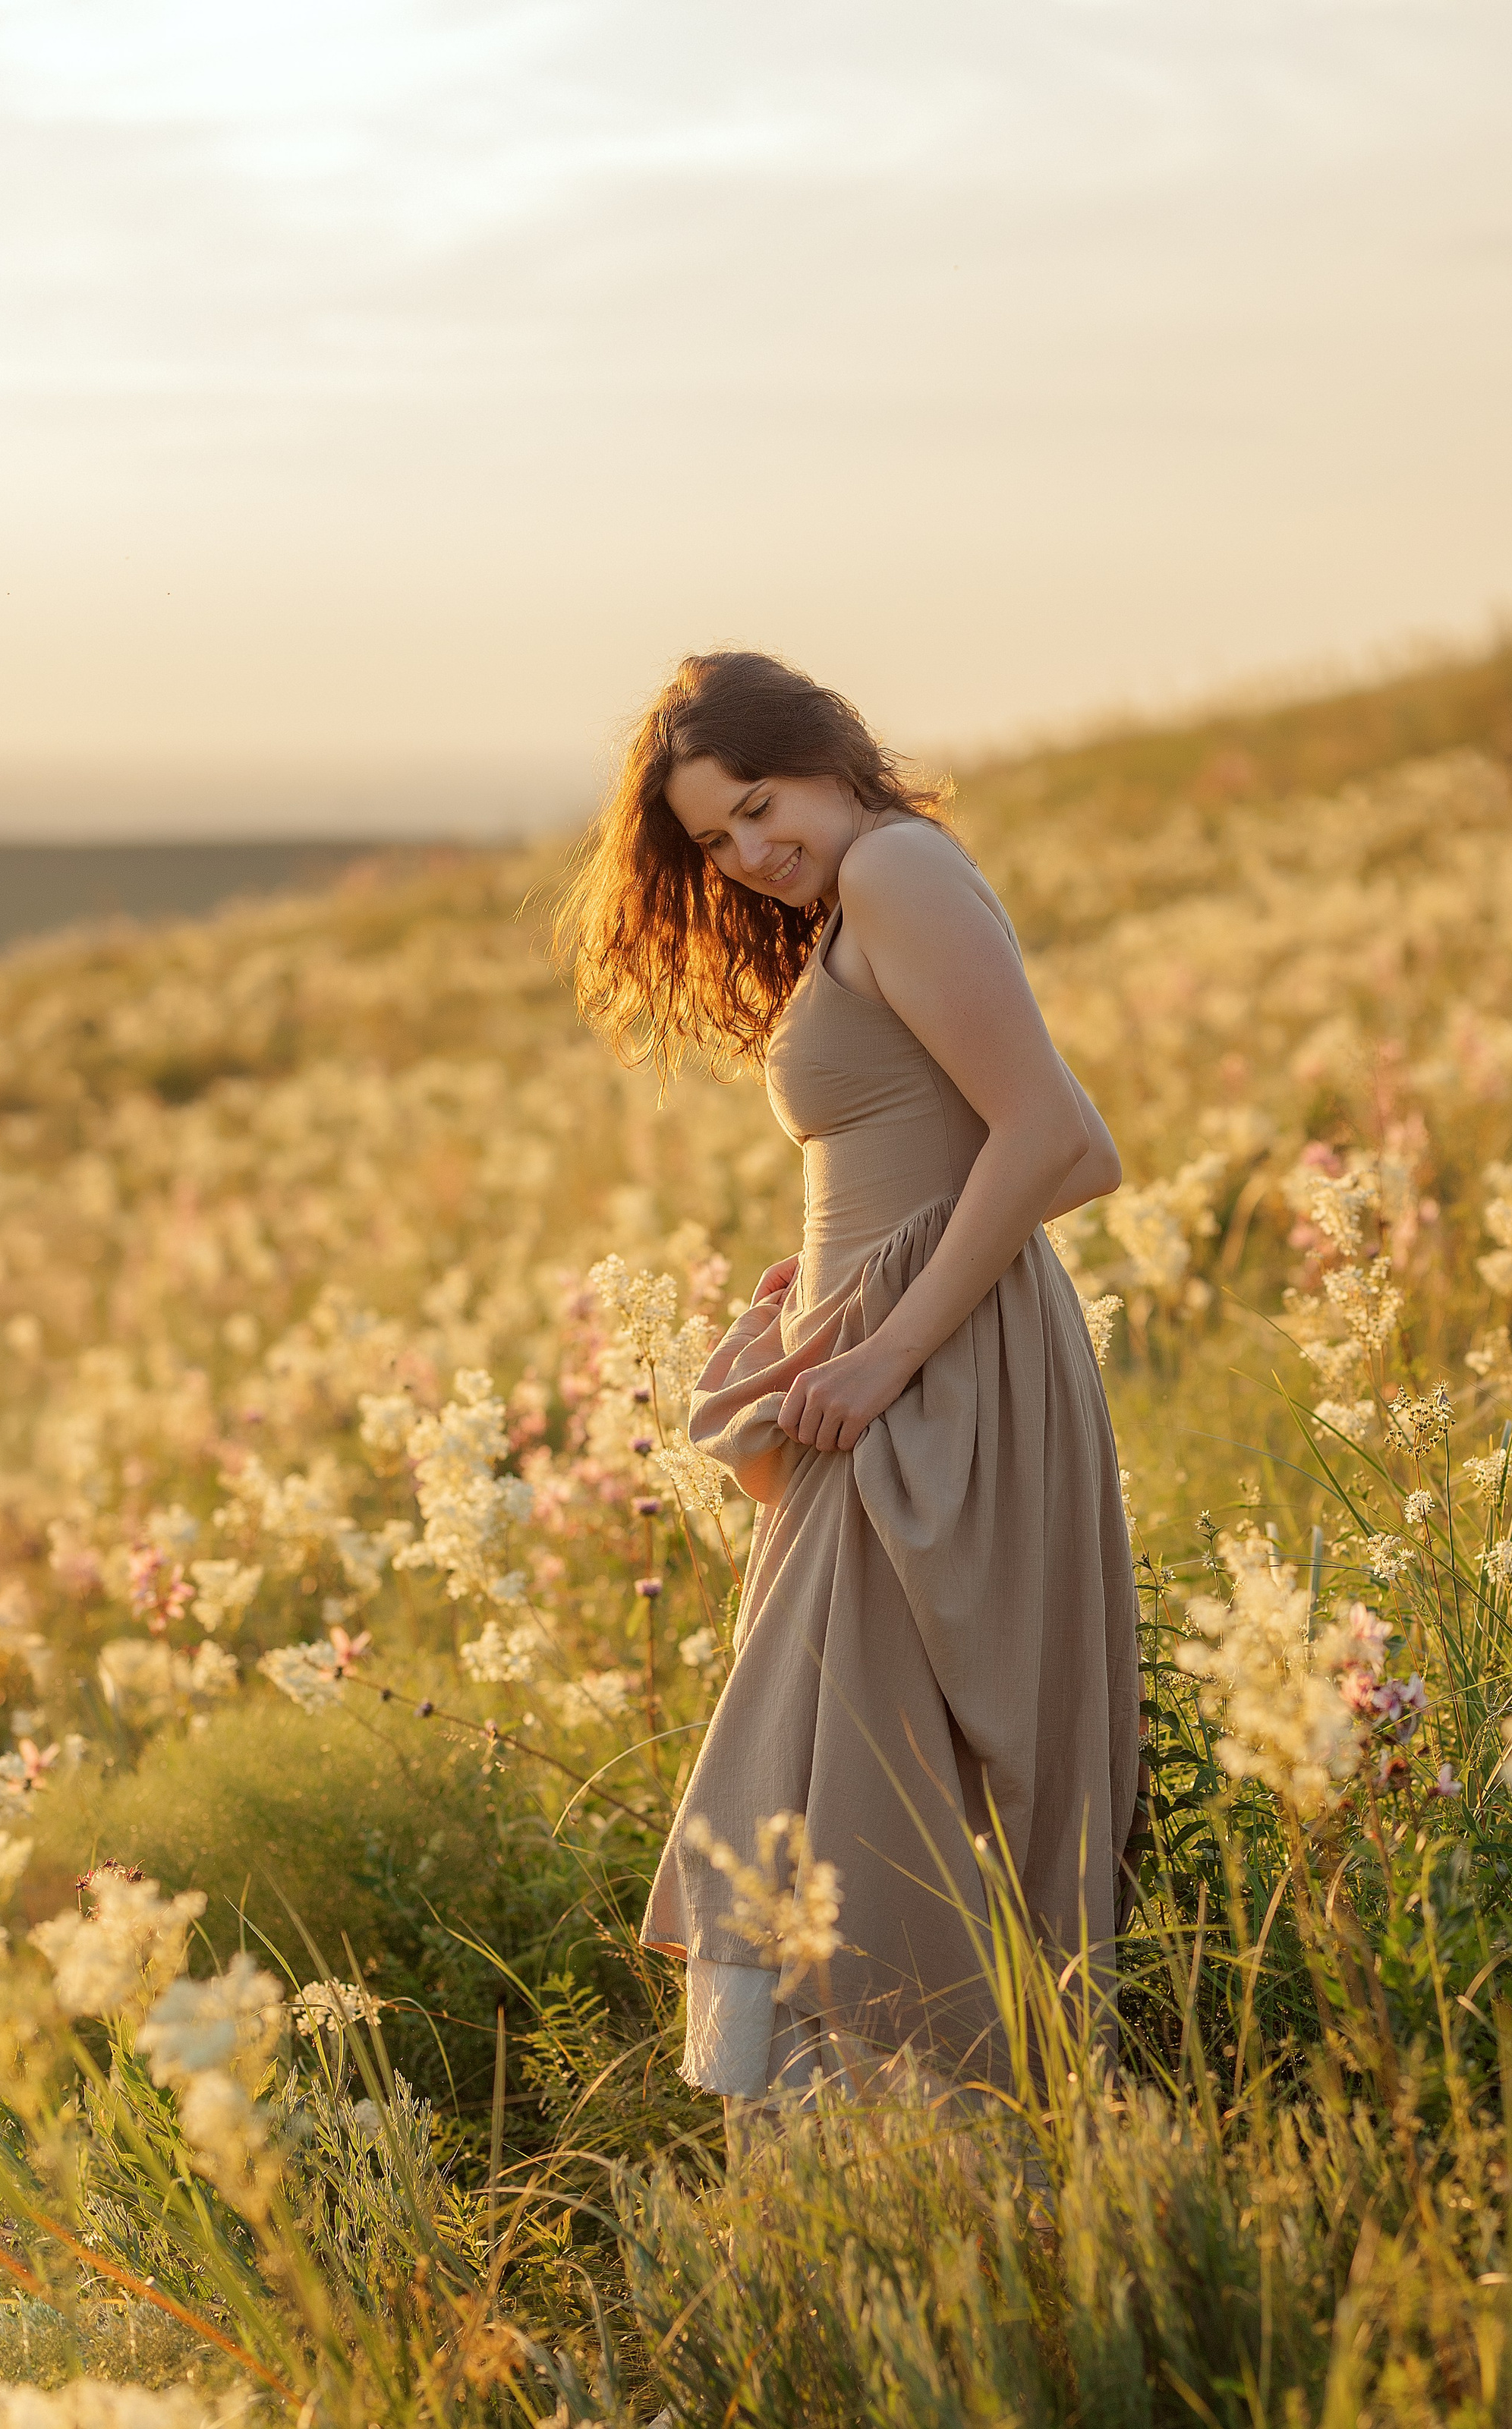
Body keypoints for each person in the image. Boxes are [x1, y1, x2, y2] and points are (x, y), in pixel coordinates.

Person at [557, 649, 1141, 2108]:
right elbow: (951, 1154)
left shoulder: (895, 872)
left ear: (829, 757)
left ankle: (936, 2167)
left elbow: (1061, 1138)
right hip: (890, 1376)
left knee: (867, 1757)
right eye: (716, 840)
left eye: (761, 808)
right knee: (840, 1753)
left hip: (935, 1388)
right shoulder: (858, 903)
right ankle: (874, 2194)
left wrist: (880, 1342)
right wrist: (820, 1298)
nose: (753, 856)